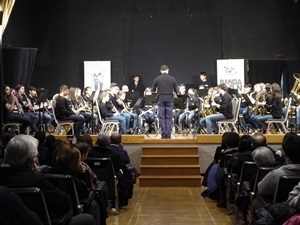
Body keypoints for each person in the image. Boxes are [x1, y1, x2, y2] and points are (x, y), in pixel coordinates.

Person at [0, 134, 96, 225]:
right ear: (30, 161)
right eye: (36, 157)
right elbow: (65, 203)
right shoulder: (36, 179)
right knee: (88, 218)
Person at [151, 65, 179, 139]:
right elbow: (177, 91)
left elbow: (152, 90)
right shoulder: (172, 79)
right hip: (170, 99)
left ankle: (163, 135)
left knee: (162, 117)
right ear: (168, 70)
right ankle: (168, 135)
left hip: (161, 100)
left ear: (161, 71)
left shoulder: (157, 79)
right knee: (169, 117)